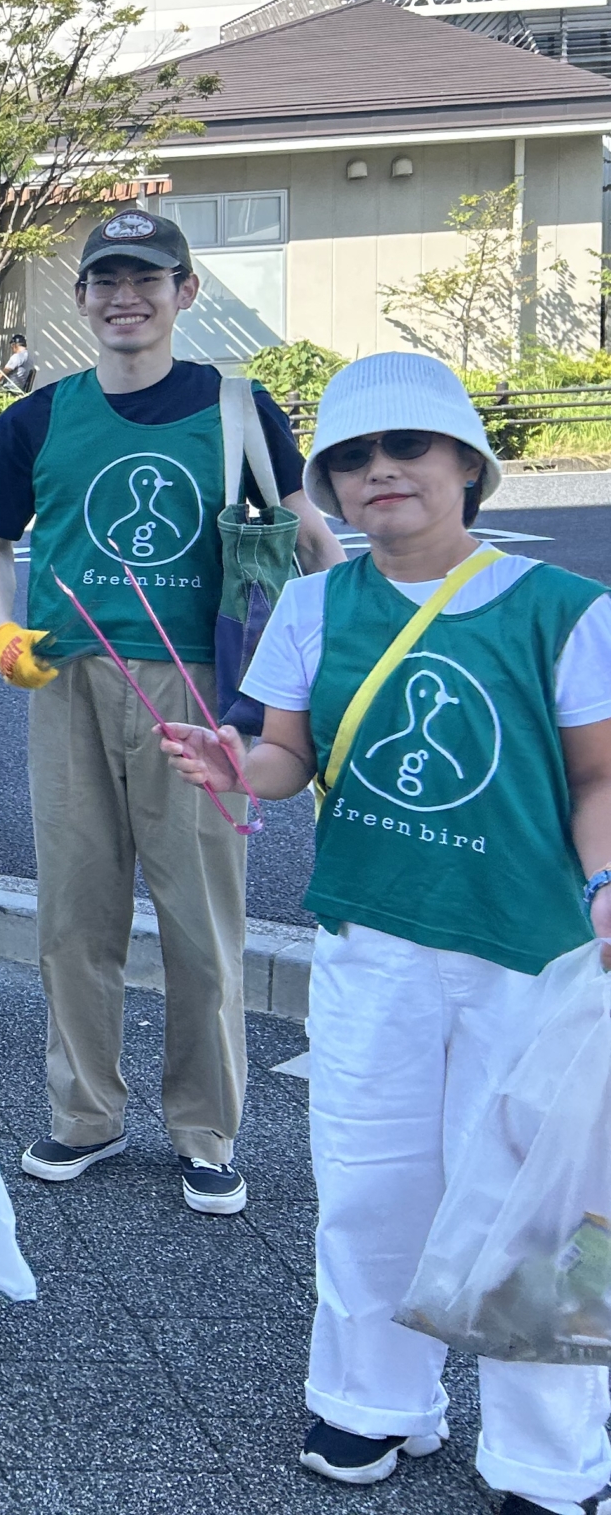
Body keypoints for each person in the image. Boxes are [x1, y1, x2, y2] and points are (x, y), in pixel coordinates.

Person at [160, 351, 611, 1512]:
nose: (380, 474)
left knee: (542, 1204)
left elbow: (598, 776)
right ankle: (371, 1402)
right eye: (351, 458)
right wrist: (234, 766)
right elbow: (285, 757)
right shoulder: (314, 604)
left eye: (406, 448)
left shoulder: (563, 609)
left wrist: (607, 886)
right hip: (372, 947)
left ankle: (549, 1454)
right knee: (368, 1185)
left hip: (533, 955)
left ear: (467, 464)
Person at [0, 209, 342, 1216]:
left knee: (201, 919)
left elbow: (309, 542)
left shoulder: (235, 408)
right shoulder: (34, 420)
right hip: (70, 678)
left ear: (185, 292)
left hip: (197, 690)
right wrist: (1, 631)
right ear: (82, 297)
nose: (124, 297)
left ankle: (206, 1130)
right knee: (72, 911)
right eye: (104, 281)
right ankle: (82, 1114)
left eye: (148, 279)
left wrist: (327, 665)